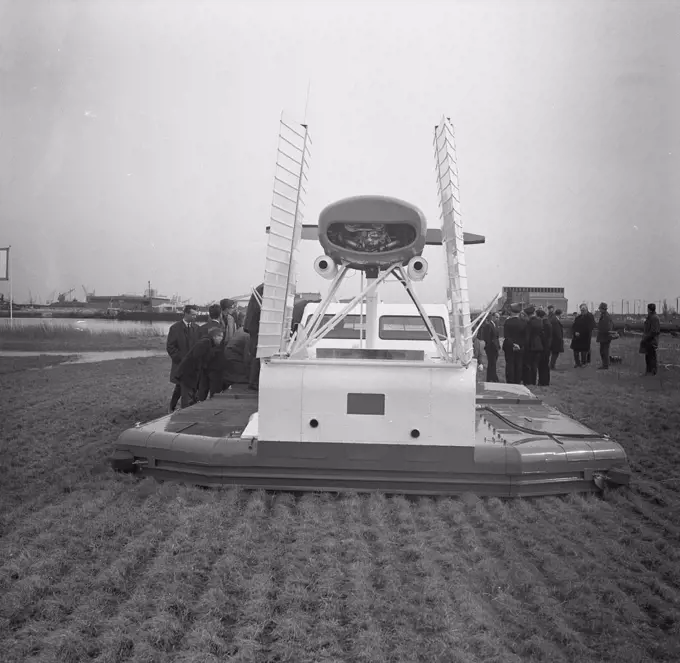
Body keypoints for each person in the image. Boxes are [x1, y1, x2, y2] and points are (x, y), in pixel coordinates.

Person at [175, 326, 225, 406]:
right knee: (187, 398)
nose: (222, 339)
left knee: (189, 397)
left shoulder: (208, 343)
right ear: (215, 336)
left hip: (189, 374)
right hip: (188, 373)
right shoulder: (206, 342)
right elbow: (196, 357)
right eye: (221, 336)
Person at [166, 305, 200, 411]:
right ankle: (179, 407)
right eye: (193, 314)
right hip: (180, 364)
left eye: (196, 315)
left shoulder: (197, 328)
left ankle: (177, 405)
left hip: (193, 365)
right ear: (186, 314)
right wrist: (181, 360)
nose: (195, 317)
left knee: (185, 386)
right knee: (182, 386)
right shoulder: (175, 328)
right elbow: (170, 347)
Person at [197, 304, 226, 401]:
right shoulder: (222, 328)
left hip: (203, 363)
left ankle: (198, 406)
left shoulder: (201, 328)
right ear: (220, 314)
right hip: (216, 364)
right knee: (215, 392)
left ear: (209, 314)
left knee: (202, 389)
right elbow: (222, 346)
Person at [243, 283, 264, 391]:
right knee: (257, 353)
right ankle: (254, 382)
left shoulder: (261, 288)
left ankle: (254, 381)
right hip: (257, 326)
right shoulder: (264, 289)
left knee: (255, 353)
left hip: (254, 325)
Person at [501, 303, 526, 384]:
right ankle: (517, 380)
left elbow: (506, 336)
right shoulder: (523, 322)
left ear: (511, 311)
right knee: (519, 364)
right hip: (520, 347)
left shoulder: (508, 322)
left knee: (510, 364)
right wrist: (519, 345)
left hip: (509, 346)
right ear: (519, 312)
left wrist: (513, 344)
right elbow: (525, 336)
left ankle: (510, 380)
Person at [570, 303, 596, 368]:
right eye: (581, 310)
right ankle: (577, 363)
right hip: (576, 337)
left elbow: (590, 327)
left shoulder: (590, 317)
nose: (582, 311)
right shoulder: (578, 318)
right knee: (575, 351)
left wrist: (581, 333)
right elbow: (573, 326)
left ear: (586, 310)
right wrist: (575, 332)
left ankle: (583, 362)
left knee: (583, 351)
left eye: (583, 310)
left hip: (585, 337)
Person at [523, 306, 544, 386]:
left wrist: (526, 346)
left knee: (529, 364)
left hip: (531, 345)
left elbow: (527, 336)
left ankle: (529, 380)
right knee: (535, 364)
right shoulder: (539, 321)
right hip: (539, 345)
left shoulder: (529, 323)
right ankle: (534, 380)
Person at [640, 303, 661, 375]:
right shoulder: (651, 317)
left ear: (649, 309)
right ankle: (648, 372)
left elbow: (654, 331)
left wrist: (646, 338)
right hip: (649, 340)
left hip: (651, 340)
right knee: (648, 357)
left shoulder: (654, 318)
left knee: (651, 357)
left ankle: (652, 372)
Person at [481, 311, 500, 382]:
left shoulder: (495, 325)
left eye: (498, 317)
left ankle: (492, 377)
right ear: (493, 317)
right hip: (491, 348)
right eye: (496, 317)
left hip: (495, 347)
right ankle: (492, 378)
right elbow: (487, 338)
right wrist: (489, 346)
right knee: (492, 363)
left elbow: (496, 337)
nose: (498, 319)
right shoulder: (489, 325)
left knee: (493, 363)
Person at [595, 302, 614, 370]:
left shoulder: (606, 316)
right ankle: (605, 364)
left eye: (600, 308)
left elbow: (607, 327)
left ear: (603, 309)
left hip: (605, 336)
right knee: (602, 351)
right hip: (603, 336)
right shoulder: (604, 315)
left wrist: (601, 329)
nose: (599, 310)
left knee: (604, 351)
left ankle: (605, 365)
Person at [536, 309, 552, 386]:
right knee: (544, 365)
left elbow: (544, 336)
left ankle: (543, 381)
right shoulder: (547, 322)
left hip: (544, 347)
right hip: (547, 347)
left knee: (542, 365)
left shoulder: (544, 324)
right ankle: (544, 381)